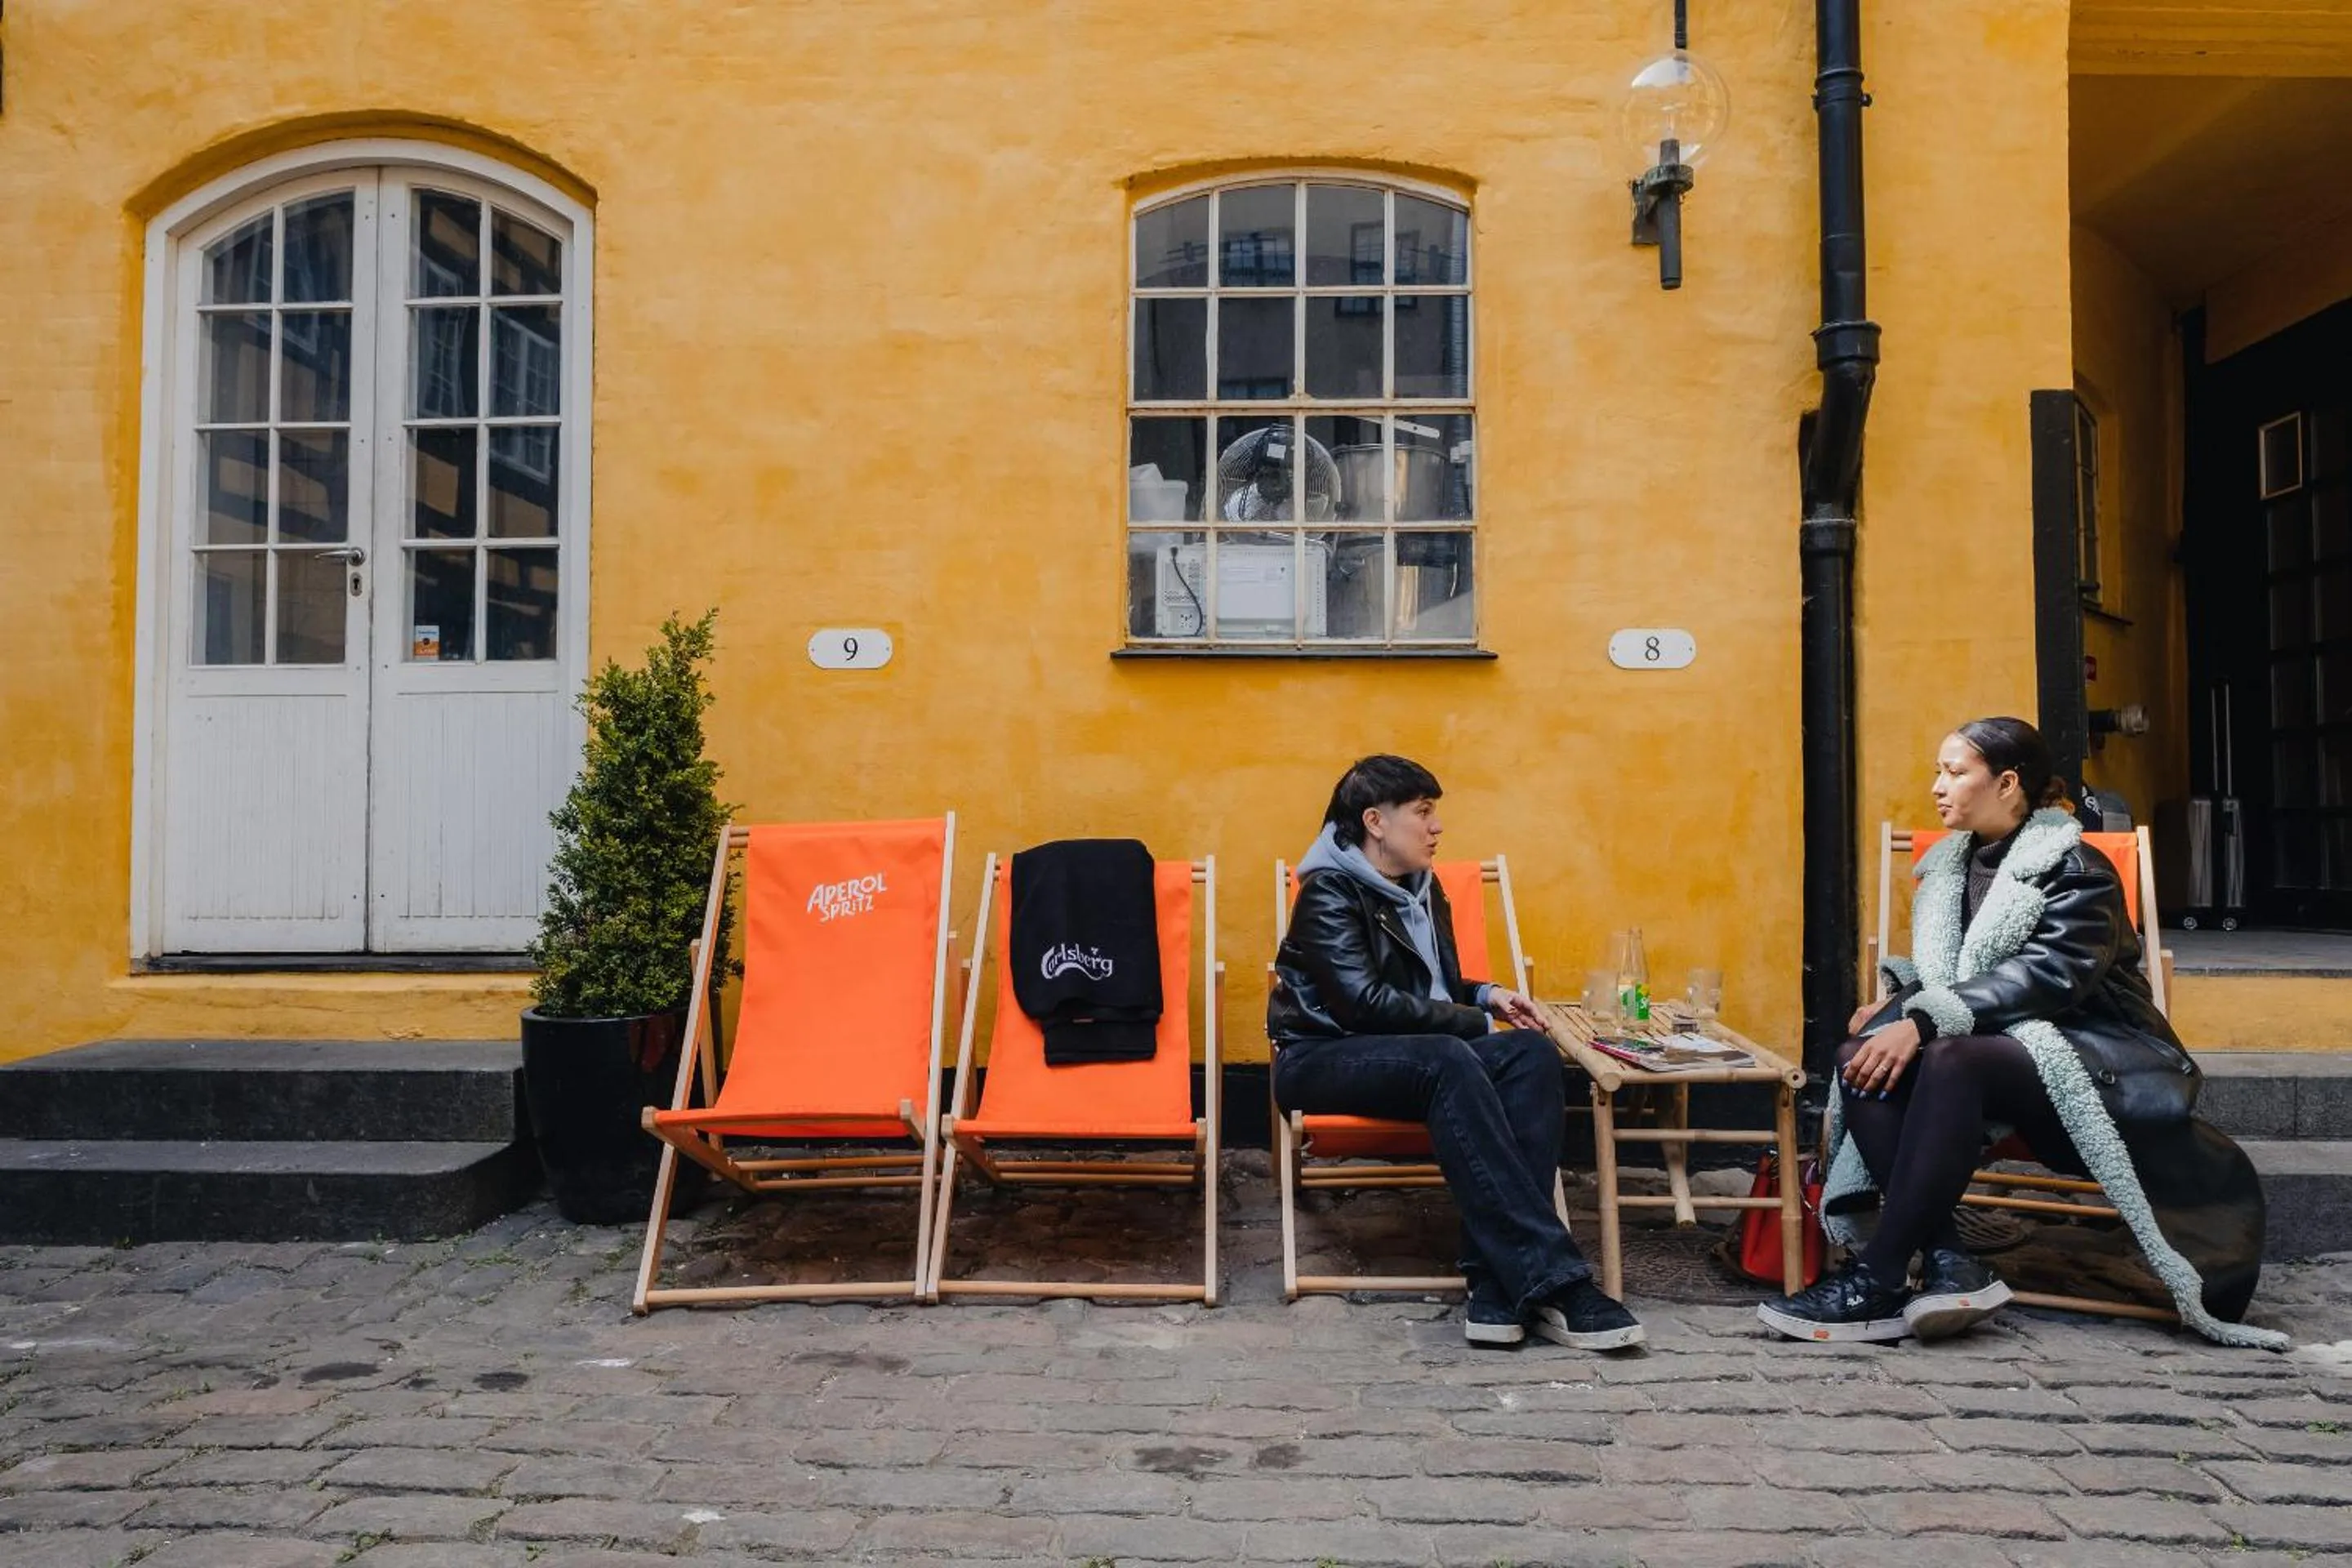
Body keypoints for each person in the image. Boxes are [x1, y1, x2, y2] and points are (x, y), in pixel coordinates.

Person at [1760, 717, 2281, 1349]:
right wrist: (1900, 1001)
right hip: (2000, 1055)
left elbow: (2046, 978)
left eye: (1955, 773)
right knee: (1857, 1054)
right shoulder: (1951, 867)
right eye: (1938, 771)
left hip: (2094, 1063)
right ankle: (1952, 1261)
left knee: (1951, 1059)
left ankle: (1881, 1275)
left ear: (2008, 784)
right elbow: (1949, 973)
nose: (1937, 787)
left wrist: (1921, 1019)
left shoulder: (2075, 869)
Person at [1268, 755, 1644, 1351]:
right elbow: (1363, 1003)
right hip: (1324, 1056)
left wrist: (1490, 996)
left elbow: (1433, 986)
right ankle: (1557, 1279)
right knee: (1449, 1057)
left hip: (1417, 1054)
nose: (1437, 827)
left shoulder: (1421, 888)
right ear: (1375, 821)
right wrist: (1471, 1021)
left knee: (1530, 1055)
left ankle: (1495, 1283)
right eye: (1423, 813)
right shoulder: (1329, 895)